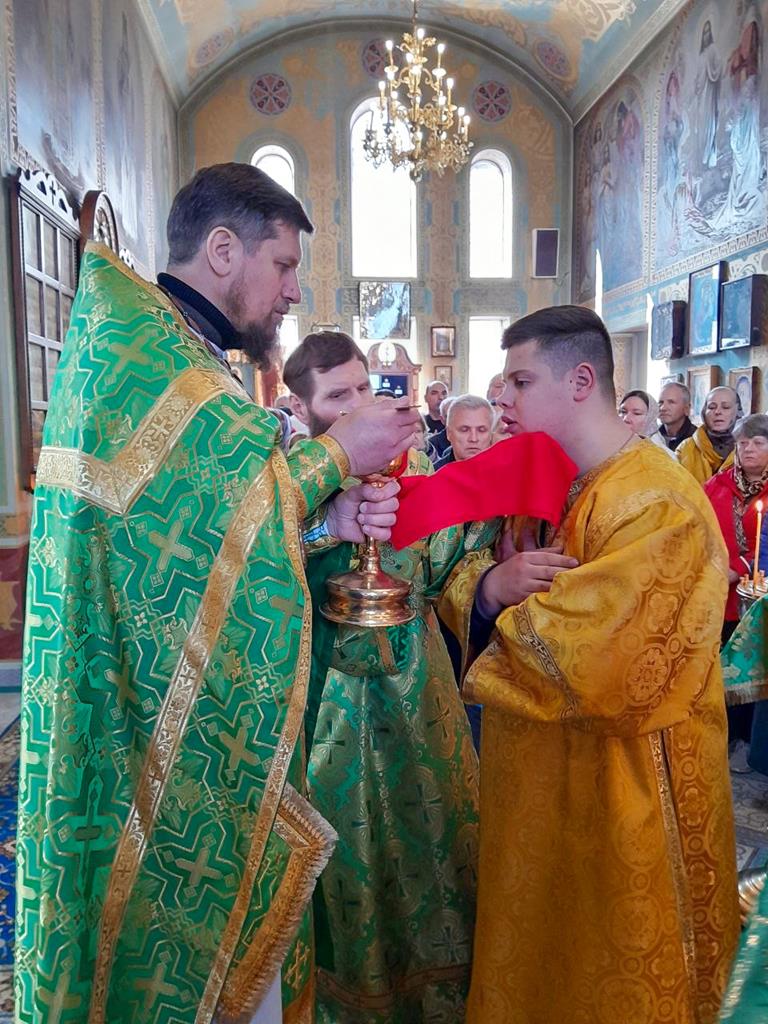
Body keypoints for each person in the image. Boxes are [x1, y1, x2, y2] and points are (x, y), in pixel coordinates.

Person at [15, 163, 423, 1024]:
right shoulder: (148, 356)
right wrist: (337, 455)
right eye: (283, 265)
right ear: (224, 249)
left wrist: (326, 521)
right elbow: (196, 520)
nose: (292, 290)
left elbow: (201, 541)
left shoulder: (175, 350)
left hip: (163, 695)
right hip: (130, 715)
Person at [438, 305, 740, 1024]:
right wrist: (490, 588)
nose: (504, 401)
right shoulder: (553, 481)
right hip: (539, 784)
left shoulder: (656, 502)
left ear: (580, 381)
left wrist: (502, 605)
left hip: (626, 791)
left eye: (520, 382)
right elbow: (476, 576)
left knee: (613, 971)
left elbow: (604, 660)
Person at [284, 331, 496, 1023]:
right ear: (302, 408)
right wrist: (322, 530)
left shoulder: (420, 473)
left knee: (428, 843)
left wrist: (489, 580)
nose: (356, 407)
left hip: (416, 697)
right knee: (336, 852)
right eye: (336, 396)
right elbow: (253, 577)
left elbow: (452, 568)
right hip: (322, 705)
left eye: (362, 389)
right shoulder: (284, 487)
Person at [677, 385, 741, 483]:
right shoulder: (685, 449)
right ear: (704, 412)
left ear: (738, 412)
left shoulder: (750, 448)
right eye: (712, 407)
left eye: (726, 407)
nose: (718, 412)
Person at [434, 394, 495, 468]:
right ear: (449, 433)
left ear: (491, 434)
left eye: (481, 430)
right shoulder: (434, 473)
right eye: (464, 430)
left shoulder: (505, 472)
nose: (473, 439)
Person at [658, 380, 696, 450]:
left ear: (686, 409)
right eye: (661, 402)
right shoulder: (652, 437)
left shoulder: (697, 439)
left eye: (671, 402)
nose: (663, 408)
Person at [423, 379, 451, 461]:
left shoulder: (454, 424)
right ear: (425, 398)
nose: (441, 397)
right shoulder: (420, 424)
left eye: (444, 393)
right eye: (434, 393)